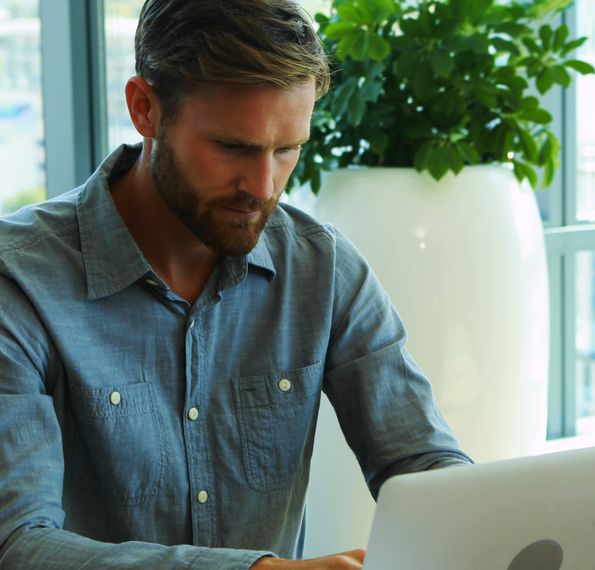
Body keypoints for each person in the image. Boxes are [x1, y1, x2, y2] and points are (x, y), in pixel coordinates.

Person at [0, 1, 472, 568]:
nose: (263, 185)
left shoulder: (322, 270)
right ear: (145, 108)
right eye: (233, 148)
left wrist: (477, 527)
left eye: (287, 149)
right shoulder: (19, 283)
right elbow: (18, 543)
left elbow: (427, 469)